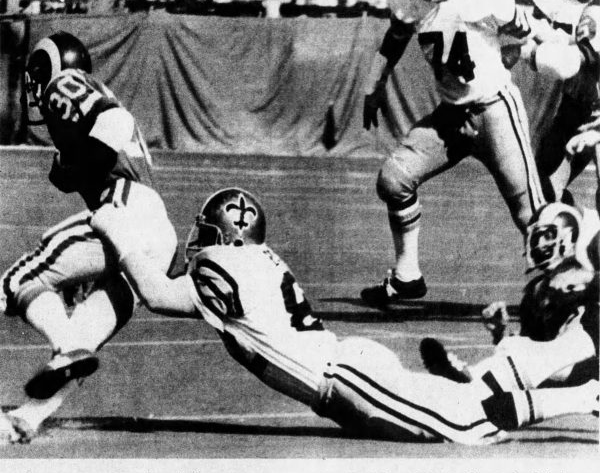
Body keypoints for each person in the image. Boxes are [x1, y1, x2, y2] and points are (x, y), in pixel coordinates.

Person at [87, 186, 598, 445]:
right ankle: (497, 376)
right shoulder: (250, 263)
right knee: (470, 405)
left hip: (348, 379)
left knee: (471, 423)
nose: (198, 241)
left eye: (205, 231)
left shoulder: (223, 263)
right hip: (347, 375)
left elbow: (154, 292)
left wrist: (117, 229)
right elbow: (168, 296)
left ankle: (586, 395)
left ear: (225, 233)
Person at [0, 32, 177, 443]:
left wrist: (71, 165)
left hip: (124, 210)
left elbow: (113, 122)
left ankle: (66, 348)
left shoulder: (65, 85)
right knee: (83, 329)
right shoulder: (81, 106)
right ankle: (28, 417)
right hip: (156, 236)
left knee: (18, 281)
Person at [360, 0, 544, 306]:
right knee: (394, 180)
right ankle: (407, 276)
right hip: (451, 116)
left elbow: (522, 30)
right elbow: (395, 38)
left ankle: (563, 293)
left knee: (530, 216)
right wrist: (374, 86)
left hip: (495, 111)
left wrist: (510, 33)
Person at [421, 201, 599, 391]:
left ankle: (473, 379)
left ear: (570, 236)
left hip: (588, 369)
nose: (539, 245)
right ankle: (471, 379)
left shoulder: (591, 272)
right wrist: (499, 333)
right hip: (568, 374)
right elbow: (532, 351)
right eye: (536, 238)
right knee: (515, 344)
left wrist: (587, 280)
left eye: (547, 236)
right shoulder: (538, 291)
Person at [525, 0, 600, 202]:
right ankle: (570, 235)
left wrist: (527, 54)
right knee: (543, 188)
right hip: (578, 102)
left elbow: (572, 60)